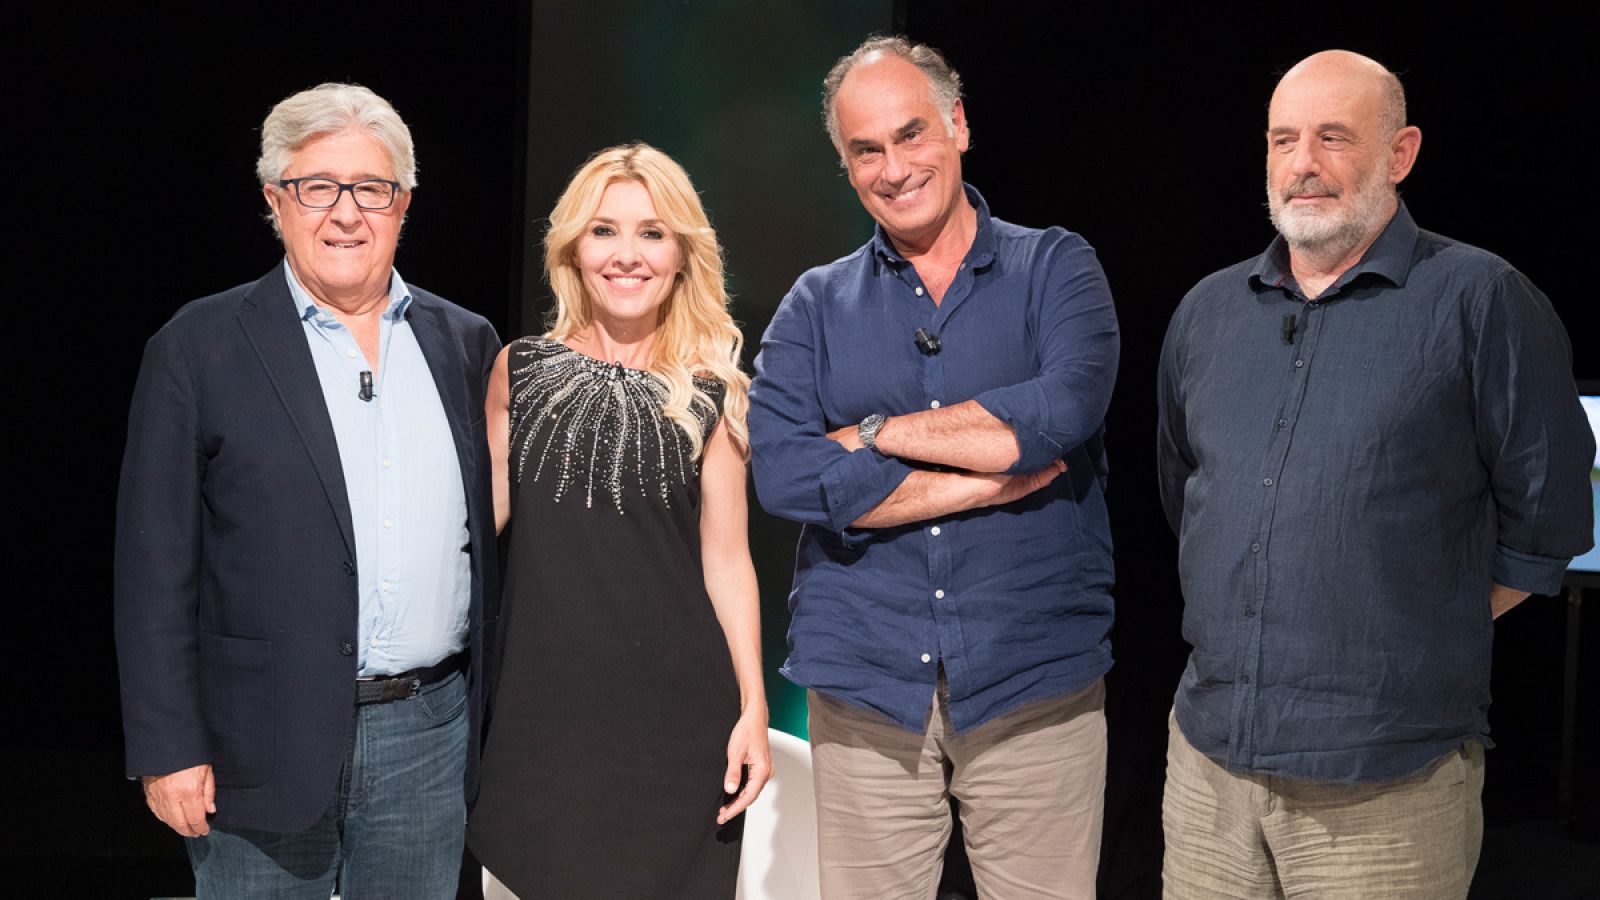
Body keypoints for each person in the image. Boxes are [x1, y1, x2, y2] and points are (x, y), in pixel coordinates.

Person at [1156, 50, 1595, 899]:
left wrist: (1412, 618)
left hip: (1386, 784)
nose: (1303, 164)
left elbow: (1548, 521)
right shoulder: (1207, 311)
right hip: (1209, 770)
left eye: (1333, 137)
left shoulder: (1481, 299)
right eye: (1283, 140)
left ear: (1401, 154)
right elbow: (1190, 496)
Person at [748, 36, 1120, 898]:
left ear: (958, 125)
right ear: (845, 166)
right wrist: (974, 478)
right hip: (867, 691)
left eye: (910, 134)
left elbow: (1058, 415)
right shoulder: (815, 303)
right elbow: (785, 475)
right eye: (865, 150)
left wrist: (870, 435)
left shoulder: (1055, 267)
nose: (893, 168)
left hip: (1033, 683)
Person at [114, 83, 501, 897]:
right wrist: (167, 748)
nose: (346, 213)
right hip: (256, 738)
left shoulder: (467, 344)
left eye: (372, 189)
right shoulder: (198, 347)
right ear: (275, 200)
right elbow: (154, 569)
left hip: (427, 735)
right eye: (318, 187)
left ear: (404, 203)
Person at [466, 143, 770, 899]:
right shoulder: (520, 371)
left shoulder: (712, 393)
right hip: (544, 720)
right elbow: (470, 536)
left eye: (652, 233)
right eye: (604, 230)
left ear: (681, 255)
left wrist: (754, 705)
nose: (626, 254)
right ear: (573, 248)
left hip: (678, 726)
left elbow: (728, 562)